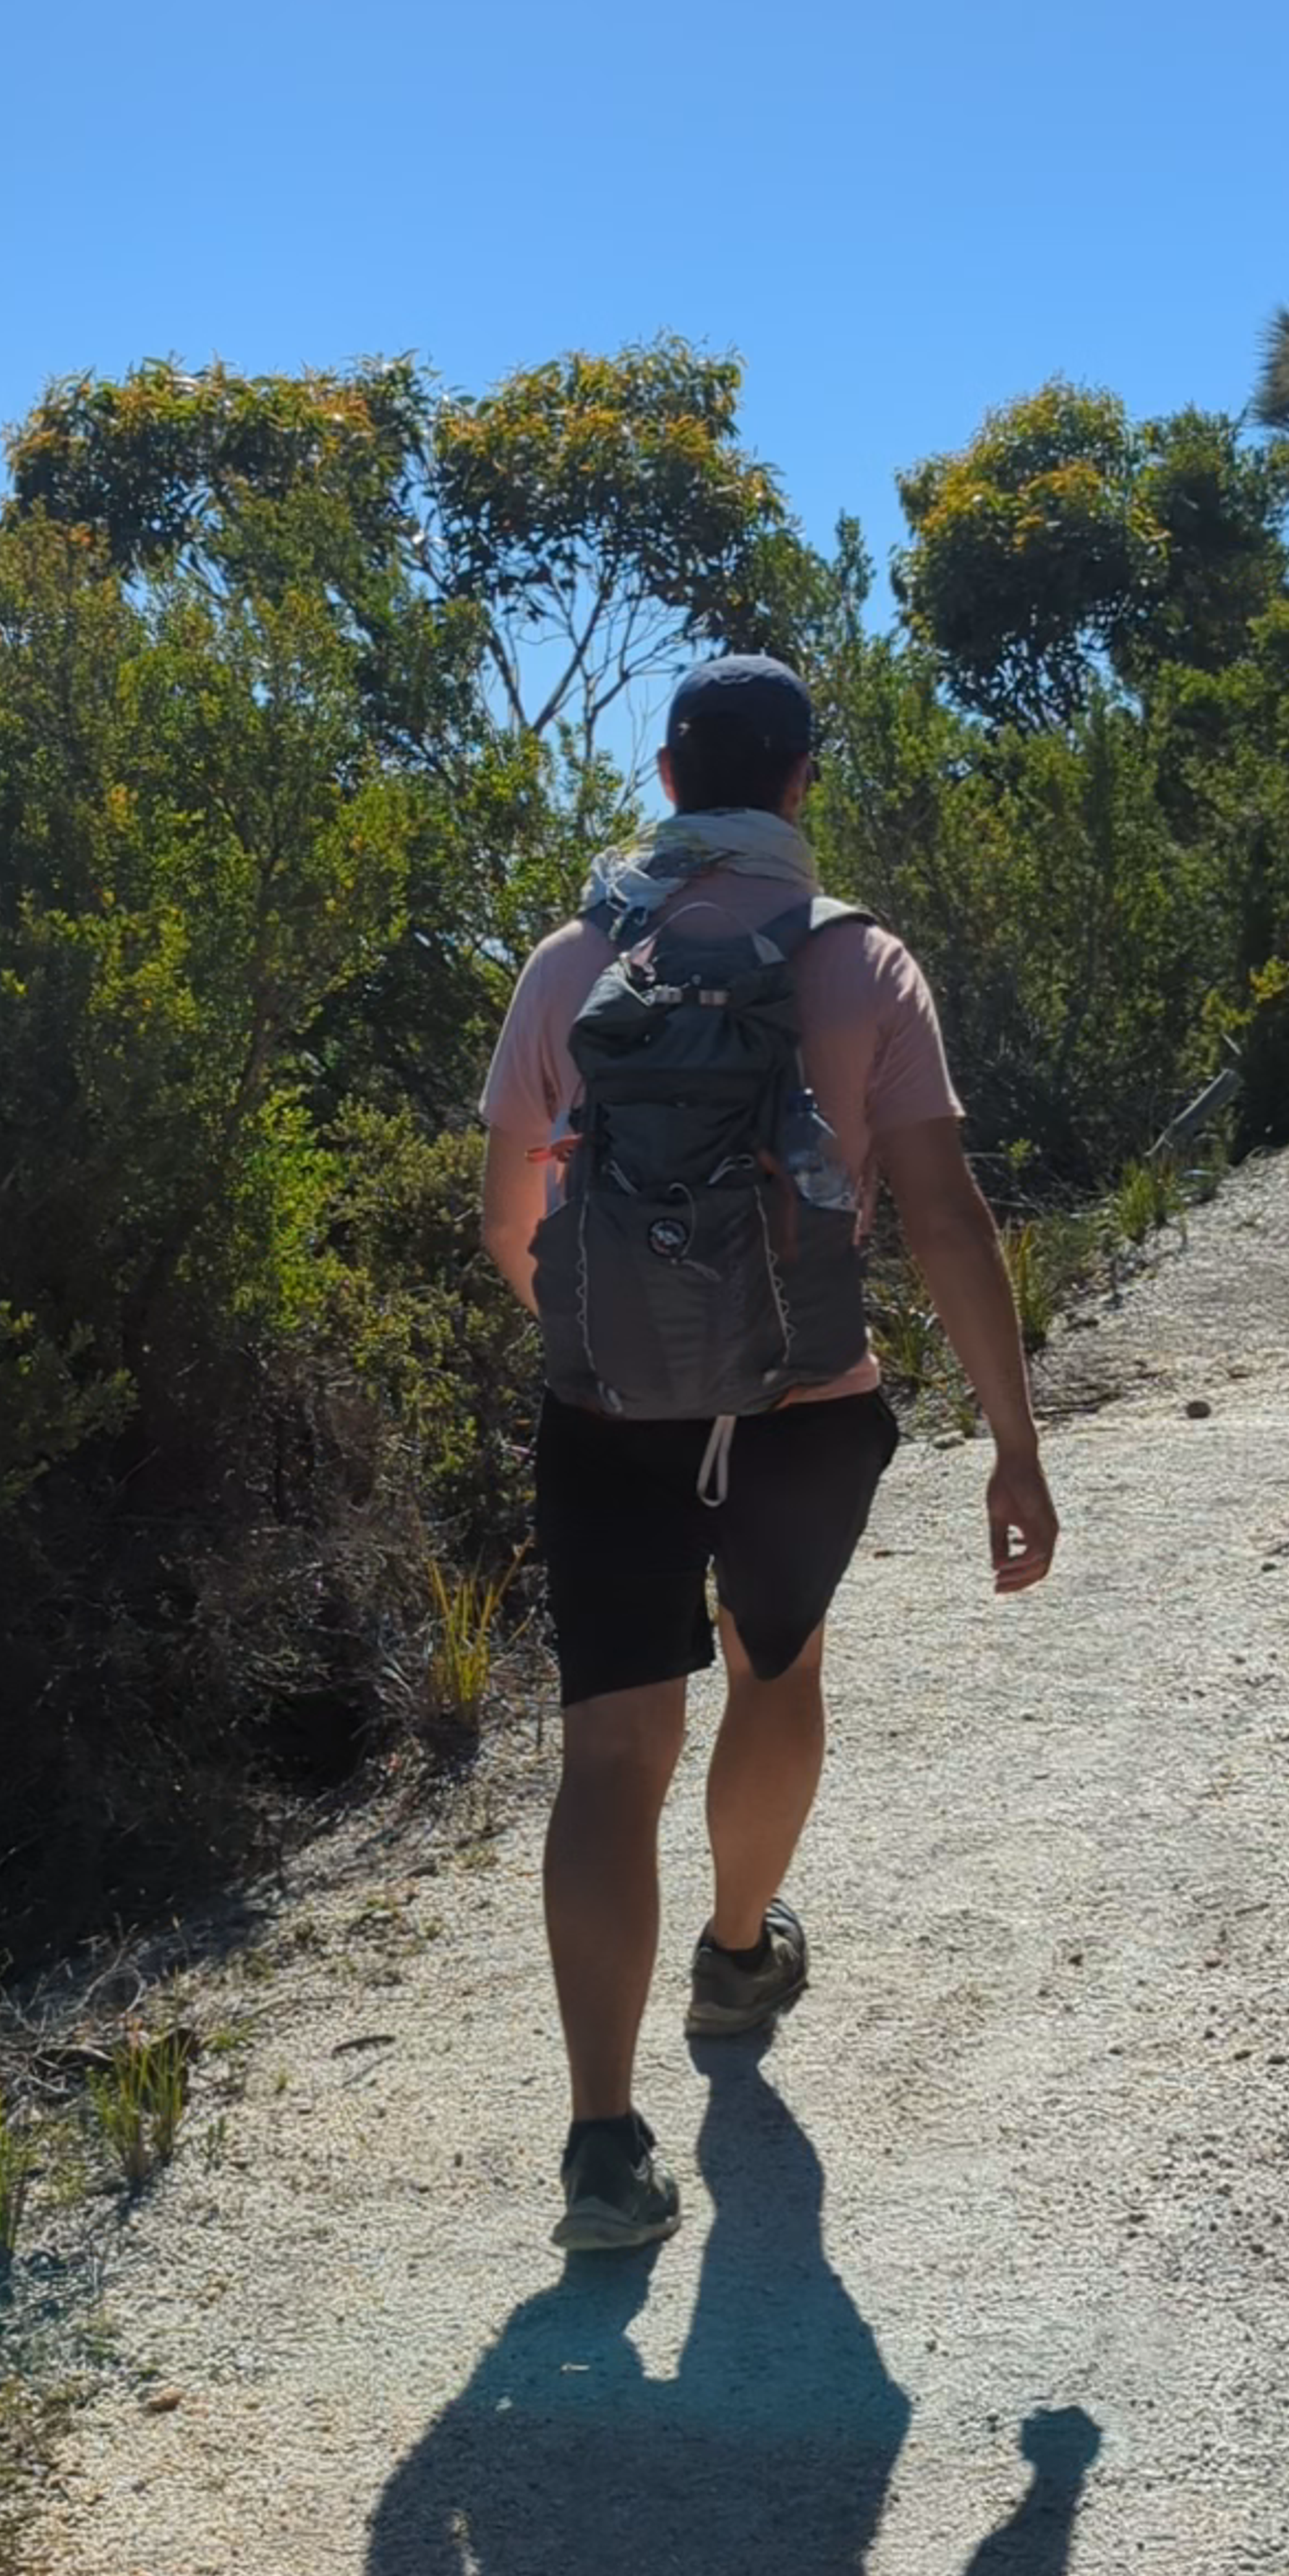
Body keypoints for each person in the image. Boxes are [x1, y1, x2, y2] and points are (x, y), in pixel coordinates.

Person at [480, 650, 1059, 2253]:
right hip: (806, 1409)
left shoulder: (566, 966)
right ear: (801, 783)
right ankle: (739, 1955)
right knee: (776, 1674)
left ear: (667, 780)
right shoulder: (863, 970)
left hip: (607, 1424)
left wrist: (625, 1341)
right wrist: (1015, 1448)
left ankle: (604, 2153)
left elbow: (512, 1223)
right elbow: (942, 1217)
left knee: (611, 1755)